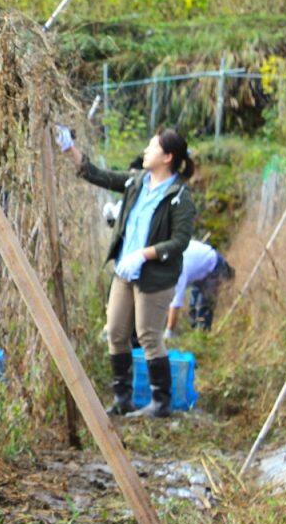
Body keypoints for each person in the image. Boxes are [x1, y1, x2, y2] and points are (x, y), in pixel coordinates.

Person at [56, 126, 196, 418]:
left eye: (152, 147)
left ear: (168, 157)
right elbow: (99, 175)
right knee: (117, 332)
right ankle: (123, 399)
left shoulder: (179, 196)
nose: (146, 151)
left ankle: (161, 402)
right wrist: (71, 150)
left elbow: (180, 241)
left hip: (153, 278)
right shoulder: (137, 183)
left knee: (148, 335)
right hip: (124, 273)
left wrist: (145, 254)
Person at [166, 239, 235, 335]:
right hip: (199, 268)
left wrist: (169, 331)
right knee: (193, 307)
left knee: (204, 307)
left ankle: (202, 336)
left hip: (214, 266)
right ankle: (192, 332)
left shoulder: (178, 271)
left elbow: (175, 304)